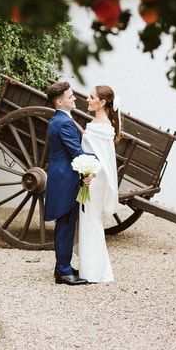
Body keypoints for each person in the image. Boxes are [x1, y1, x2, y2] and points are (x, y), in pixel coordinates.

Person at [44, 81, 89, 285]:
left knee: (66, 224)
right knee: (66, 224)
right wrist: (96, 164)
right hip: (65, 180)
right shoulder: (63, 122)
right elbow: (76, 152)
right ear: (60, 102)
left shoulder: (59, 119)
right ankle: (63, 271)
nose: (74, 99)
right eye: (71, 97)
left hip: (62, 177)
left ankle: (62, 267)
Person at [76, 85, 120, 283]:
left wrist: (90, 173)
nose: (87, 99)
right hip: (90, 177)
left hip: (93, 179)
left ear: (101, 102)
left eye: (91, 97)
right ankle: (89, 269)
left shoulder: (102, 127)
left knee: (91, 221)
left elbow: (105, 160)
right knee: (87, 221)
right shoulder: (98, 123)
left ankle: (95, 271)